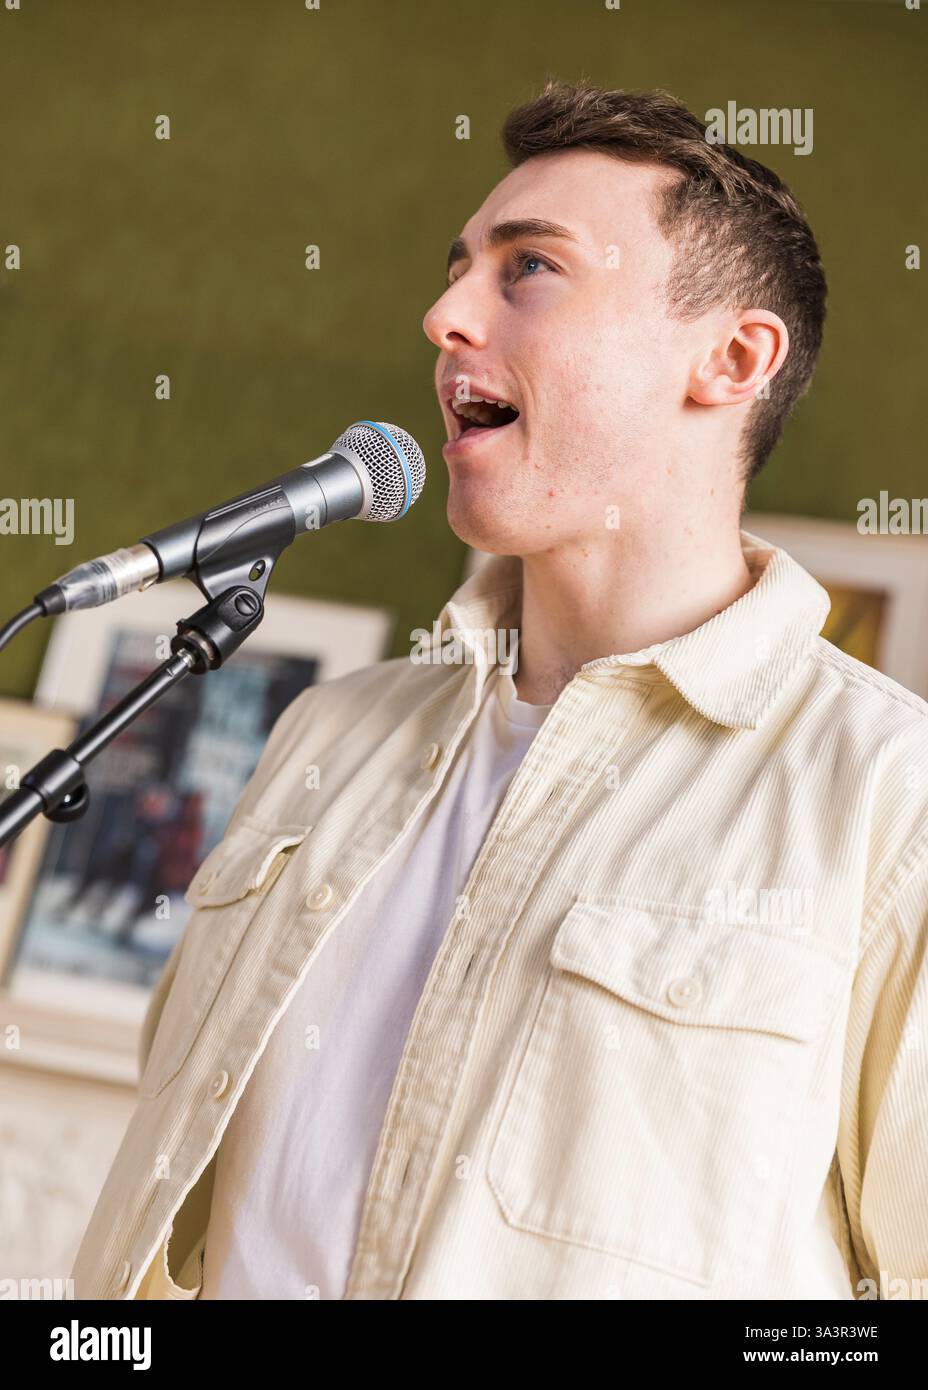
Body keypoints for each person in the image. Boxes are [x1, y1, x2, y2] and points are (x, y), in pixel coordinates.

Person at [73, 80, 928, 1302]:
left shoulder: (892, 798)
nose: (441, 315)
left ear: (731, 358)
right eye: (458, 267)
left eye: (529, 269)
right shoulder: (328, 732)